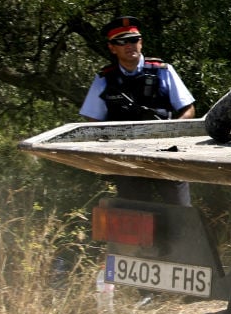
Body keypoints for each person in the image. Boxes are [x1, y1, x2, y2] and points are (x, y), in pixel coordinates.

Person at [80, 15, 196, 206]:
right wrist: (109, 151)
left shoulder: (163, 70)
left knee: (181, 214)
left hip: (166, 155)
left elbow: (188, 109)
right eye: (122, 41)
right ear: (112, 47)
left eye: (134, 40)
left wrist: (173, 134)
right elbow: (93, 120)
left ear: (140, 42)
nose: (129, 45)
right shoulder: (104, 79)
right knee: (134, 217)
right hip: (127, 160)